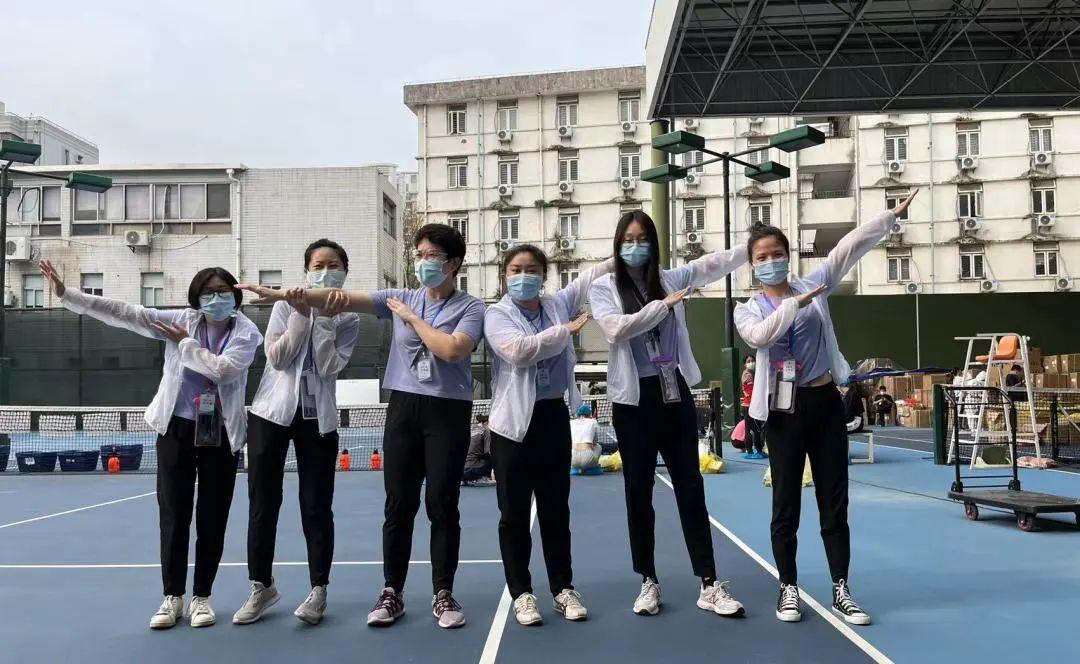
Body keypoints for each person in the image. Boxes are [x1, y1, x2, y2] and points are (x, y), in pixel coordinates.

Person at [243, 223, 483, 630]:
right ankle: (392, 591)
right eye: (419, 255)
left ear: (453, 263)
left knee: (442, 502)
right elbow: (340, 299)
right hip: (403, 407)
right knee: (398, 504)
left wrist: (411, 318)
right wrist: (282, 295)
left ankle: (443, 593)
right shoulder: (398, 297)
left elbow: (451, 349)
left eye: (432, 256)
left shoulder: (470, 308)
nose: (423, 263)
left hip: (448, 410)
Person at [39, 260, 261, 630]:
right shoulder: (181, 320)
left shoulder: (247, 332)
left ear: (235, 295)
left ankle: (201, 597)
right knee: (173, 512)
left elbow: (222, 370)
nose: (216, 297)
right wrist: (68, 295)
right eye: (209, 292)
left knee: (212, 515)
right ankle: (172, 596)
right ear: (196, 297)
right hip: (175, 427)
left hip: (220, 432)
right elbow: (126, 313)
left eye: (223, 291)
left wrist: (185, 343)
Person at [734, 189, 918, 627]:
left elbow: (847, 249)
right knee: (785, 503)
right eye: (762, 256)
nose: (771, 260)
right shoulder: (748, 310)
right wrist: (791, 305)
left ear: (788, 255)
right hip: (783, 410)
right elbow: (760, 337)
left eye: (778, 253)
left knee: (835, 500)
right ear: (753, 265)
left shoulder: (813, 287)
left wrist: (888, 217)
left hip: (823, 401)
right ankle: (788, 587)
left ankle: (841, 588)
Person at [589, 210, 748, 618]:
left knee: (691, 487)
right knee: (638, 491)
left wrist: (752, 247)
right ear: (617, 244)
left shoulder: (671, 279)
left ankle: (709, 582)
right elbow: (615, 329)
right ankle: (648, 580)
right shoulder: (604, 287)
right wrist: (662, 307)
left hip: (673, 391)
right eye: (628, 239)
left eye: (642, 238)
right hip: (632, 401)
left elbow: (710, 265)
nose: (635, 246)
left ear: (654, 243)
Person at [233, 239, 359, 627]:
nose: (325, 271)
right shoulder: (285, 306)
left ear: (345, 272)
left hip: (317, 420)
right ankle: (261, 586)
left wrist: (323, 320)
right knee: (262, 503)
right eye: (318, 265)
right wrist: (301, 316)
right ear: (306, 271)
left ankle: (318, 590)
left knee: (316, 505)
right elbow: (277, 357)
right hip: (270, 414)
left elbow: (330, 366)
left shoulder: (349, 318)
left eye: (333, 265)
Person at [484, 245, 610, 626]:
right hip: (512, 426)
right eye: (516, 269)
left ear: (544, 276)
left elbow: (588, 276)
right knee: (514, 514)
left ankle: (562, 588)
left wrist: (623, 255)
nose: (524, 275)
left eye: (533, 269)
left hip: (553, 416)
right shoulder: (496, 315)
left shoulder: (556, 304)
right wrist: (565, 331)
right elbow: (520, 352)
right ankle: (522, 593)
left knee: (556, 510)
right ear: (505, 275)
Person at [740, 355, 766, 458]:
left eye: (752, 360)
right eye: (748, 361)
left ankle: (752, 450)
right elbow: (752, 390)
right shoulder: (748, 374)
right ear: (745, 364)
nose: (751, 362)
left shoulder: (753, 373)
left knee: (752, 429)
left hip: (751, 405)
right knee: (755, 429)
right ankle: (755, 451)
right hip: (749, 406)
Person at [462, 415, 495, 487]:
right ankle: (484, 477)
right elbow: (487, 452)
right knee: (493, 454)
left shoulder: (470, 429)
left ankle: (464, 479)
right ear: (486, 423)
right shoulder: (486, 430)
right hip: (474, 471)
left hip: (462, 471)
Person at [570, 404, 602, 473]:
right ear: (589, 414)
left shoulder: (571, 422)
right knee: (598, 447)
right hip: (587, 457)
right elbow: (595, 442)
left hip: (572, 458)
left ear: (578, 414)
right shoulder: (593, 422)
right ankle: (591, 466)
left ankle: (576, 468)